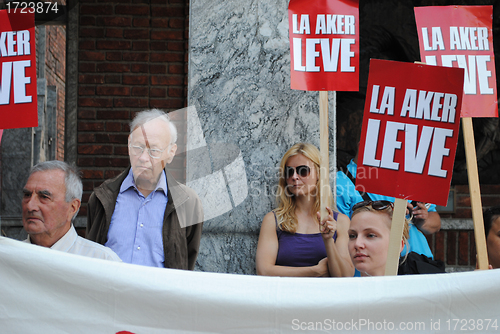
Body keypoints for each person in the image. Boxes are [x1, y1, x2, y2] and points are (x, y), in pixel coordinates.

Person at [86, 109, 204, 269]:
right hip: (110, 293)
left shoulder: (187, 203)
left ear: (171, 152)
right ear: (129, 144)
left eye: (153, 151)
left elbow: (186, 263)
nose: (143, 158)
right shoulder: (102, 197)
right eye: (138, 147)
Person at [256, 143, 354, 277]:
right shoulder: (274, 220)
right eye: (289, 172)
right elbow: (264, 271)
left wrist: (328, 240)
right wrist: (314, 271)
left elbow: (345, 276)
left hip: (326, 297)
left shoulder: (340, 221)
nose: (295, 177)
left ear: (318, 173)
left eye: (303, 170)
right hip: (286, 296)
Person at [336, 153, 441, 259]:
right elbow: (341, 236)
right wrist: (386, 215)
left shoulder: (407, 176)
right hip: (375, 270)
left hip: (419, 265)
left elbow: (436, 223)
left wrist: (423, 220)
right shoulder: (341, 182)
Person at [22, 160, 121, 261]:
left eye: (44, 197)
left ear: (72, 208)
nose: (30, 206)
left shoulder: (102, 261)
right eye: (27, 195)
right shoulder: (8, 259)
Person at [348, 200, 409, 276]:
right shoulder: (339, 288)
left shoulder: (421, 287)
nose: (357, 244)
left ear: (397, 245)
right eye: (352, 236)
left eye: (370, 235)